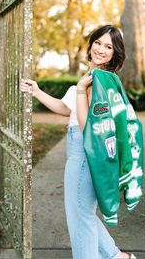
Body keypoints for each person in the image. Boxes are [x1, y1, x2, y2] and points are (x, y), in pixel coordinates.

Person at [20, 25, 137, 259]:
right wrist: (38, 92)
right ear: (91, 43)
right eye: (98, 42)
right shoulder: (95, 78)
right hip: (86, 154)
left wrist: (82, 90)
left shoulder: (98, 81)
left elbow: (90, 128)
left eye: (108, 47)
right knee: (83, 213)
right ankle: (117, 257)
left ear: (115, 54)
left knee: (80, 217)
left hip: (84, 154)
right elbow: (67, 109)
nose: (101, 49)